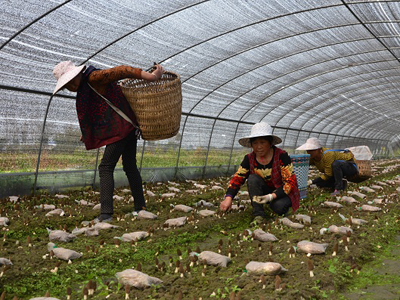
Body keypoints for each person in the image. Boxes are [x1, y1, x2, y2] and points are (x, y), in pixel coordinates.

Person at [52, 61, 164, 222]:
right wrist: (88, 133)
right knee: (130, 165)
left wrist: (152, 77)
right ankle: (140, 207)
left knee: (105, 167)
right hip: (128, 127)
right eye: (66, 86)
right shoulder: (87, 87)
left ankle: (106, 214)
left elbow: (123, 70)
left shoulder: (94, 77)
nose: (69, 88)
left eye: (69, 83)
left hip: (120, 130)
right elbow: (101, 109)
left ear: (76, 76)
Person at [219, 122, 300, 224]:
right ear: (251, 145)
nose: (259, 147)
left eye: (262, 142)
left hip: (283, 192)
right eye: (255, 143)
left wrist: (271, 197)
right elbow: (238, 178)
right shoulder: (249, 158)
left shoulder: (282, 156)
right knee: (252, 178)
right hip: (266, 189)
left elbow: (289, 183)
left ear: (270, 143)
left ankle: (275, 202)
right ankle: (258, 215)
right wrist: (228, 198)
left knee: (278, 207)